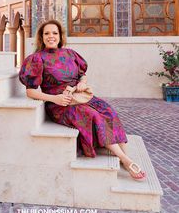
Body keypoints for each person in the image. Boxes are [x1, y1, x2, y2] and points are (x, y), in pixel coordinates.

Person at [19, 19, 146, 180]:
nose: (51, 36)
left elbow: (82, 75)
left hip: (79, 96)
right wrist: (54, 99)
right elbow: (30, 92)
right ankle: (126, 160)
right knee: (93, 116)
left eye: (54, 33)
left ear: (60, 36)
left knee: (108, 110)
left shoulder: (70, 54)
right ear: (41, 37)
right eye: (47, 33)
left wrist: (81, 83)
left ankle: (124, 155)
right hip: (61, 104)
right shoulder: (36, 59)